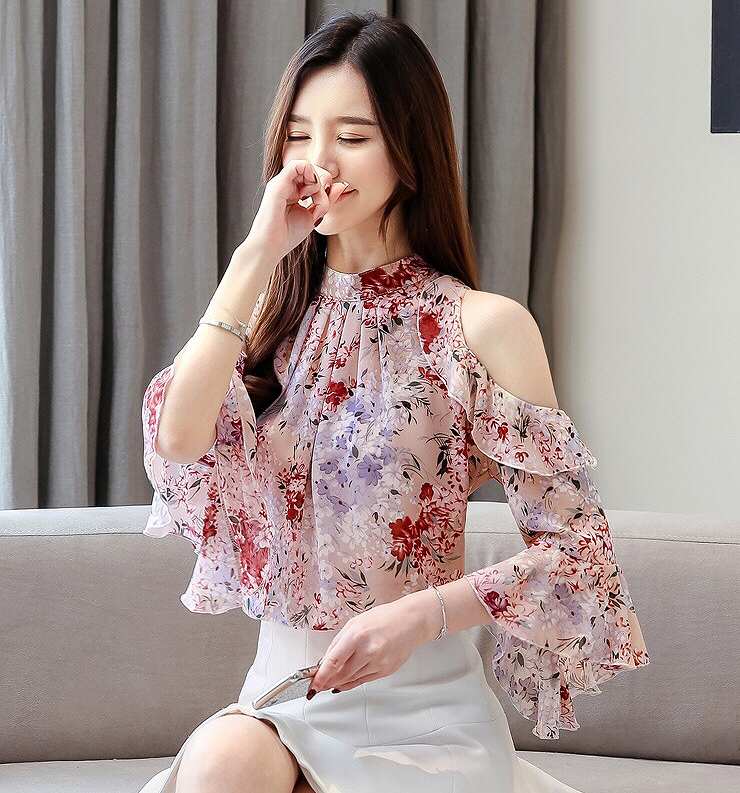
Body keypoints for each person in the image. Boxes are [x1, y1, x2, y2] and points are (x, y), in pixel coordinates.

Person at [137, 10, 650, 793]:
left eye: (351, 135)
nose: (318, 162)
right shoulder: (268, 315)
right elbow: (178, 438)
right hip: (285, 699)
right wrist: (258, 252)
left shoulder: (483, 327)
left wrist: (421, 615)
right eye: (298, 137)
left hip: (426, 710)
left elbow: (578, 554)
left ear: (409, 150)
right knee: (219, 764)